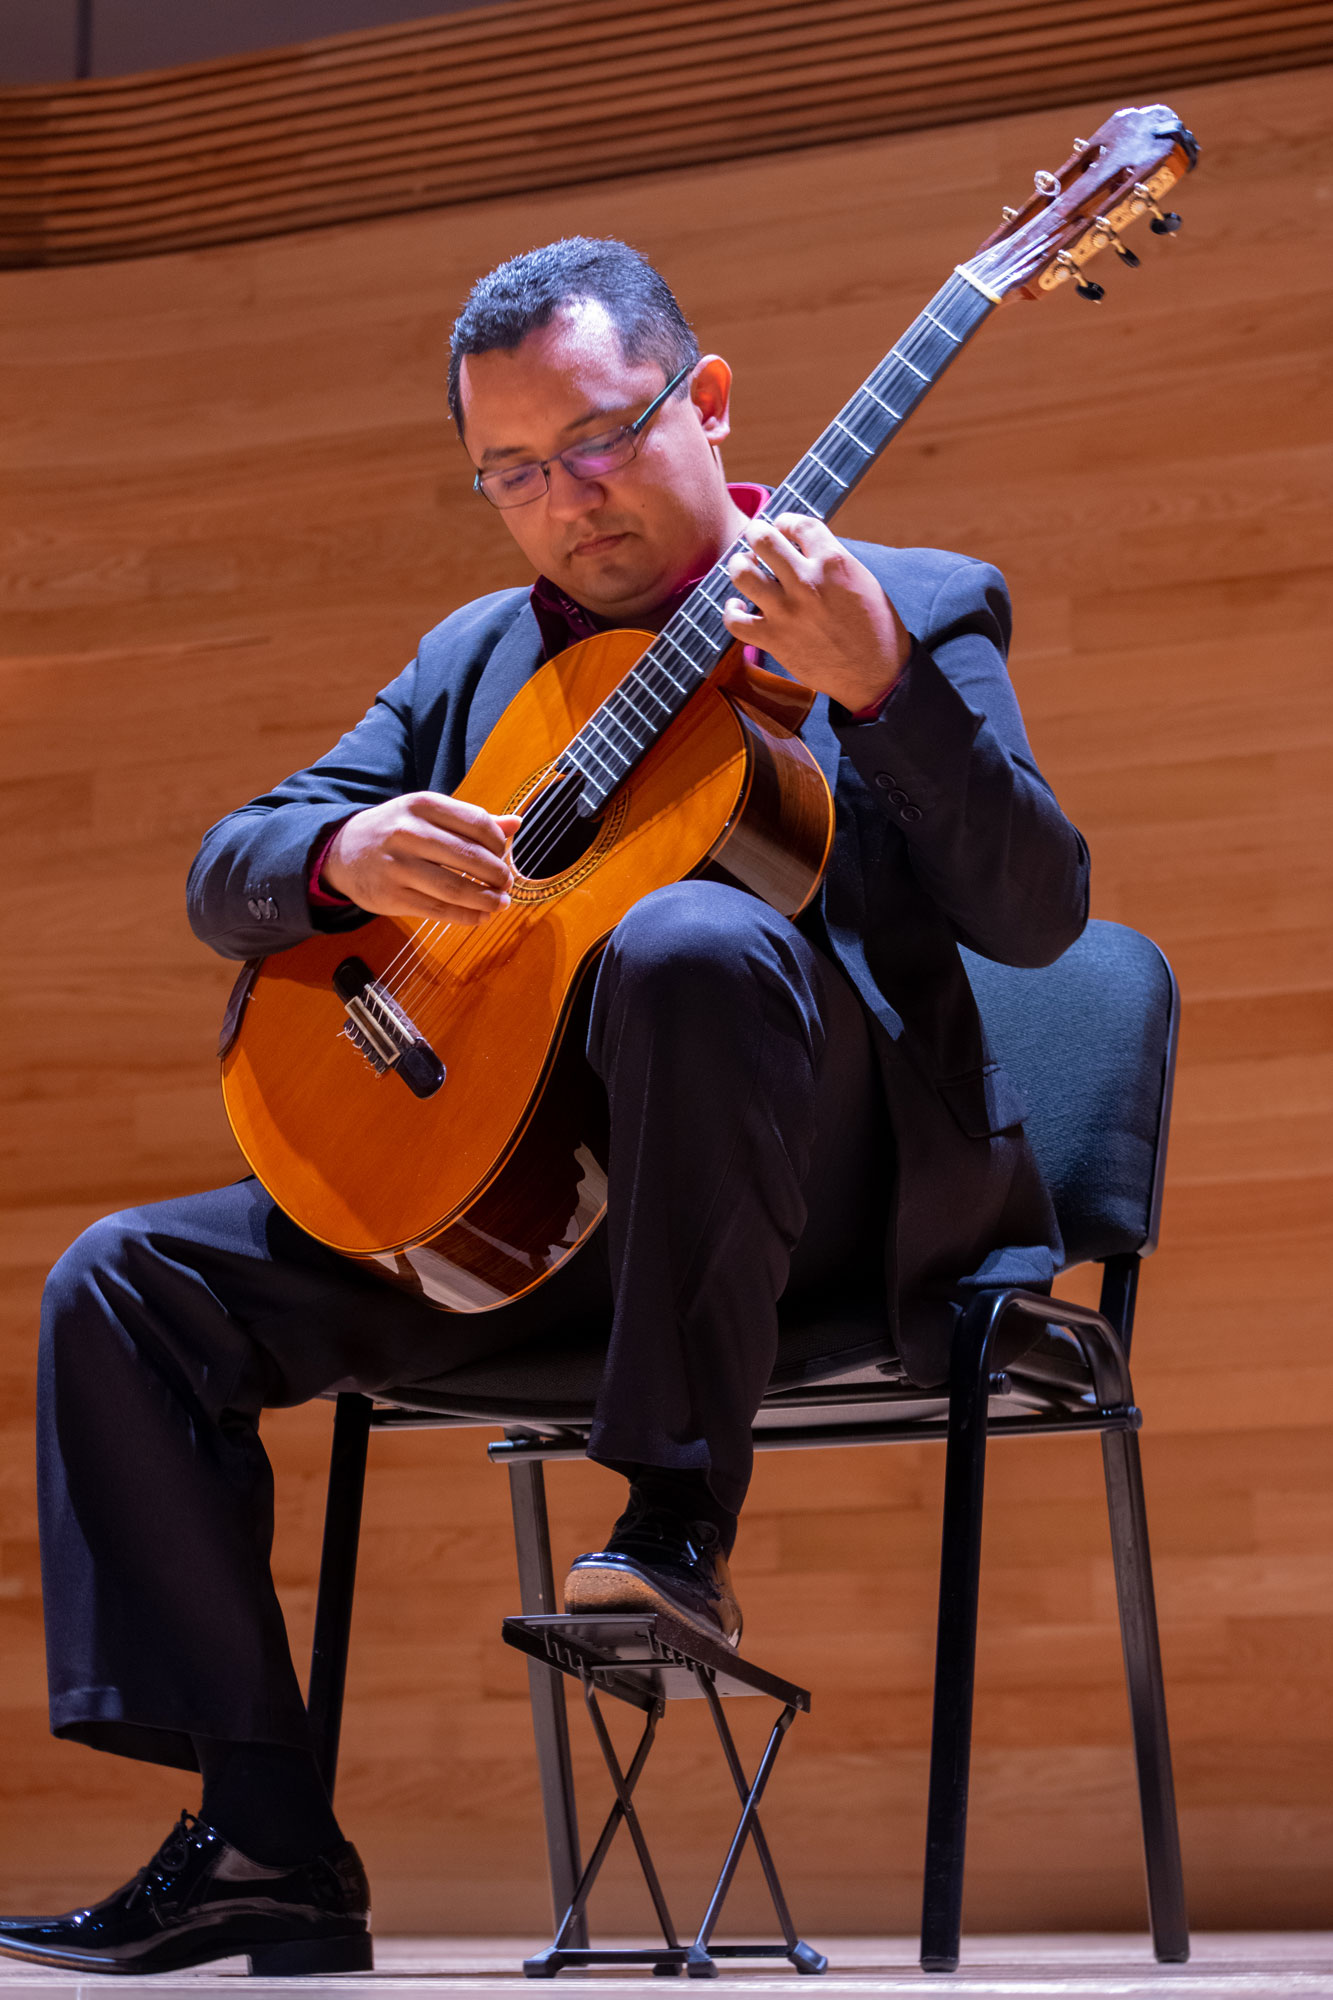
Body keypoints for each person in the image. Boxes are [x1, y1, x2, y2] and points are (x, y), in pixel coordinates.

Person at [0, 236, 1088, 1977]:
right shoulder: (474, 659)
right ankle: (265, 1846)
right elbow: (226, 872)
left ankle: (670, 1529)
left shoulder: (908, 600)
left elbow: (1037, 913)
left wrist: (881, 686)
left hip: (824, 1216)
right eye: (510, 473)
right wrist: (343, 852)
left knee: (688, 944)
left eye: (594, 440)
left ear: (702, 400)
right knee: (125, 1285)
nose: (564, 501)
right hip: (539, 1226)